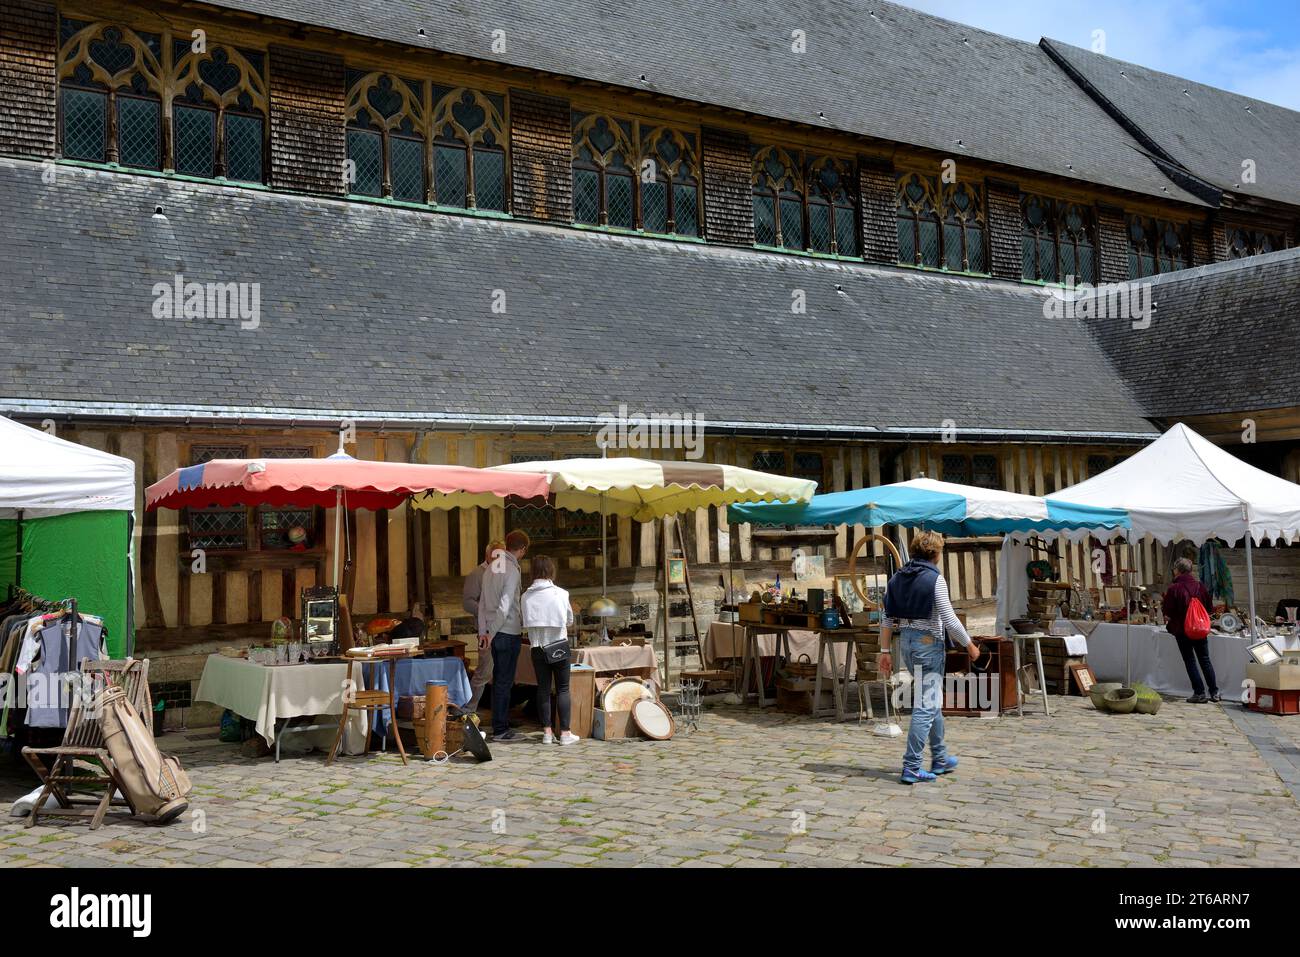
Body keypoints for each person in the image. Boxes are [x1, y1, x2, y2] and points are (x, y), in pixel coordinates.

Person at [878, 530, 980, 785]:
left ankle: (940, 758)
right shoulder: (935, 579)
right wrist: (970, 645)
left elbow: (887, 618)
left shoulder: (896, 578)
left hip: (907, 643)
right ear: (935, 553)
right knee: (926, 704)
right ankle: (912, 767)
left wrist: (884, 651)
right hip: (927, 644)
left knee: (931, 701)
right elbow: (949, 619)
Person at [521, 555, 579, 745]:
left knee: (543, 690)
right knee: (563, 689)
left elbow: (525, 622)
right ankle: (565, 733)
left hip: (537, 647)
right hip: (558, 646)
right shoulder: (562, 594)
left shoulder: (526, 596)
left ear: (533, 572)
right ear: (551, 571)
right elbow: (569, 620)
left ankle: (546, 732)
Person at [478, 529, 529, 740]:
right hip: (505, 631)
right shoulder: (512, 570)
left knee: (498, 679)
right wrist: (492, 632)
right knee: (504, 681)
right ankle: (500, 729)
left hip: (493, 630)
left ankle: (500, 724)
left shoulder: (490, 568)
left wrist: (484, 631)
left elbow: (482, 604)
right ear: (523, 550)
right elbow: (505, 605)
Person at [1162, 556, 1220, 703]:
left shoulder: (1174, 588)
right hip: (1199, 628)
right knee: (1205, 660)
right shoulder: (1200, 586)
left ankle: (1199, 693)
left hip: (1182, 630)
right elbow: (1209, 608)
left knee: (1190, 661)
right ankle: (1214, 692)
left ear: (1177, 570)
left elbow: (1168, 611)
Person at [461, 540, 504, 717]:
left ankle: (501, 714)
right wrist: (486, 609)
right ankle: (468, 709)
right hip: (485, 630)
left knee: (503, 674)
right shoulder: (477, 574)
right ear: (488, 555)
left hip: (504, 629)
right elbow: (467, 602)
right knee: (484, 671)